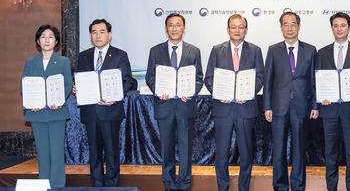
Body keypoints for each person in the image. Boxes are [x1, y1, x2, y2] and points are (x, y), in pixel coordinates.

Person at [204, 14, 264, 191]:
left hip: (245, 108)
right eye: (234, 27)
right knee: (221, 153)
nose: (237, 30)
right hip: (223, 107)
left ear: (246, 30)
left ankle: (243, 188)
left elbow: (260, 77)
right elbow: (209, 78)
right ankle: (223, 187)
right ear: (228, 29)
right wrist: (219, 92)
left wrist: (247, 93)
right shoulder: (216, 50)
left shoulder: (255, 50)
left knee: (246, 152)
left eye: (241, 27)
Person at [145, 13, 203, 191]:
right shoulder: (155, 51)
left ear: (184, 28)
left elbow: (199, 78)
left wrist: (191, 91)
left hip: (186, 106)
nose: (175, 28)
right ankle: (169, 183)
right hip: (165, 106)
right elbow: (150, 77)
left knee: (186, 149)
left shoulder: (194, 51)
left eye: (178, 25)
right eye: (171, 25)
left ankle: (184, 183)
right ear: (166, 29)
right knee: (166, 148)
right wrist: (158, 90)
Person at [74, 19, 134, 187]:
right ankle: (97, 186)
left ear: (109, 34)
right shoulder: (83, 56)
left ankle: (112, 186)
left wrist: (114, 97)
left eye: (101, 31)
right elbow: (79, 79)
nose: (98, 35)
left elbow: (127, 81)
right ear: (90, 35)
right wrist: (76, 88)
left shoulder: (120, 55)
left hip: (110, 111)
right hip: (91, 112)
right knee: (94, 153)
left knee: (111, 153)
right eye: (94, 32)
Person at [263, 12, 318, 191]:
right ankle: (280, 185)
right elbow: (268, 80)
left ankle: (298, 185)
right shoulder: (273, 50)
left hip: (302, 107)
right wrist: (267, 106)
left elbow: (313, 80)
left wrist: (315, 105)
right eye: (285, 24)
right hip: (279, 107)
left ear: (299, 26)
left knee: (299, 150)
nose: (289, 28)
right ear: (281, 28)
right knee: (278, 150)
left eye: (293, 24)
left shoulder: (310, 50)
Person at [315, 12, 350, 191]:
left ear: (349, 28)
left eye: (343, 25)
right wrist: (321, 96)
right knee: (330, 153)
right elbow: (317, 80)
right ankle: (332, 188)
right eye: (336, 25)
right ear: (332, 28)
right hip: (329, 110)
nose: (339, 29)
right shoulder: (321, 53)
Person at [21, 25, 72, 187]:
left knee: (56, 153)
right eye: (43, 36)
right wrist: (31, 103)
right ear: (38, 40)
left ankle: (57, 186)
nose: (47, 40)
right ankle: (44, 185)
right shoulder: (30, 62)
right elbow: (25, 85)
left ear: (56, 41)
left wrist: (59, 100)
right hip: (37, 113)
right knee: (42, 154)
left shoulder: (63, 61)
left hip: (57, 113)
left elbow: (68, 84)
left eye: (51, 36)